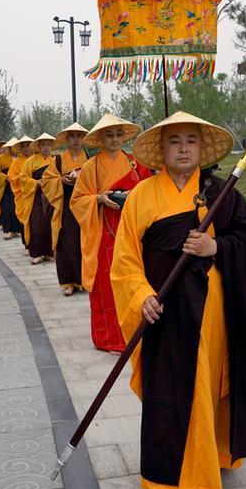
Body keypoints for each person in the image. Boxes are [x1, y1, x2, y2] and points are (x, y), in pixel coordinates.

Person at [110, 111, 246, 489]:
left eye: (190, 141)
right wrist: (141, 296)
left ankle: (216, 455)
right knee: (171, 390)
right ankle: (172, 483)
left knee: (209, 382)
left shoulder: (222, 192)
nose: (182, 148)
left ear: (202, 149)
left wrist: (215, 248)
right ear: (161, 150)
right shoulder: (142, 197)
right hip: (165, 313)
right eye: (174, 141)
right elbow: (125, 261)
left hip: (214, 312)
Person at [71, 113, 150, 353]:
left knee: (132, 281)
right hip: (105, 231)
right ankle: (109, 339)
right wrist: (100, 198)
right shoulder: (91, 167)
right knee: (106, 286)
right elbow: (77, 201)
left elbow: (148, 191)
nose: (115, 139)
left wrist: (133, 198)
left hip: (132, 230)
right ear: (101, 138)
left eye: (118, 134)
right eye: (109, 135)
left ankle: (134, 333)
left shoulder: (135, 163)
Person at [42, 122, 89, 295]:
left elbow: (95, 182)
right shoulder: (59, 160)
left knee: (84, 242)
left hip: (85, 206)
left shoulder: (90, 160)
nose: (76, 140)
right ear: (67, 139)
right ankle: (68, 282)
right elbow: (47, 181)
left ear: (83, 139)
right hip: (65, 204)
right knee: (66, 243)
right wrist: (61, 181)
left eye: (79, 136)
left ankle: (84, 280)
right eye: (72, 136)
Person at [18, 133, 57, 264]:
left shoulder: (55, 160)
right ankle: (37, 253)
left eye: (49, 145)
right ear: (39, 147)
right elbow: (23, 178)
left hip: (52, 197)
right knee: (37, 223)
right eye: (43, 145)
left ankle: (49, 252)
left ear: (52, 146)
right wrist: (36, 183)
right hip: (35, 197)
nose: (46, 148)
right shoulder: (31, 161)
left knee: (51, 222)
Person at [9, 135, 34, 248]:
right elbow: (11, 177)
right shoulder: (17, 162)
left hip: (36, 193)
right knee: (25, 218)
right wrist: (23, 178)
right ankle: (27, 244)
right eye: (23, 146)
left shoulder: (37, 158)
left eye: (27, 145)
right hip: (23, 194)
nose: (25, 148)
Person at [0, 137, 22, 239]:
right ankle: (9, 231)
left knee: (18, 208)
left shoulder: (22, 158)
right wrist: (4, 177)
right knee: (8, 208)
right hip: (7, 187)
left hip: (20, 187)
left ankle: (18, 230)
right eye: (10, 147)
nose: (12, 149)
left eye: (14, 147)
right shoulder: (1, 158)